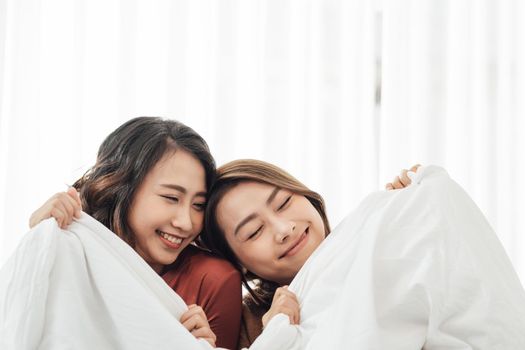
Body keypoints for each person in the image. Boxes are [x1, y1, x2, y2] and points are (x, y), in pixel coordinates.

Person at [28, 117, 242, 349]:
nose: (186, 223)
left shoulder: (213, 279)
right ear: (121, 188)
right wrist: (40, 242)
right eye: (171, 198)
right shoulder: (73, 249)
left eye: (198, 205)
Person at [201, 159, 419, 347]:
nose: (284, 230)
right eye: (254, 231)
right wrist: (272, 339)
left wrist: (413, 217)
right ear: (237, 263)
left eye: (284, 202)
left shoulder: (378, 240)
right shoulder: (249, 323)